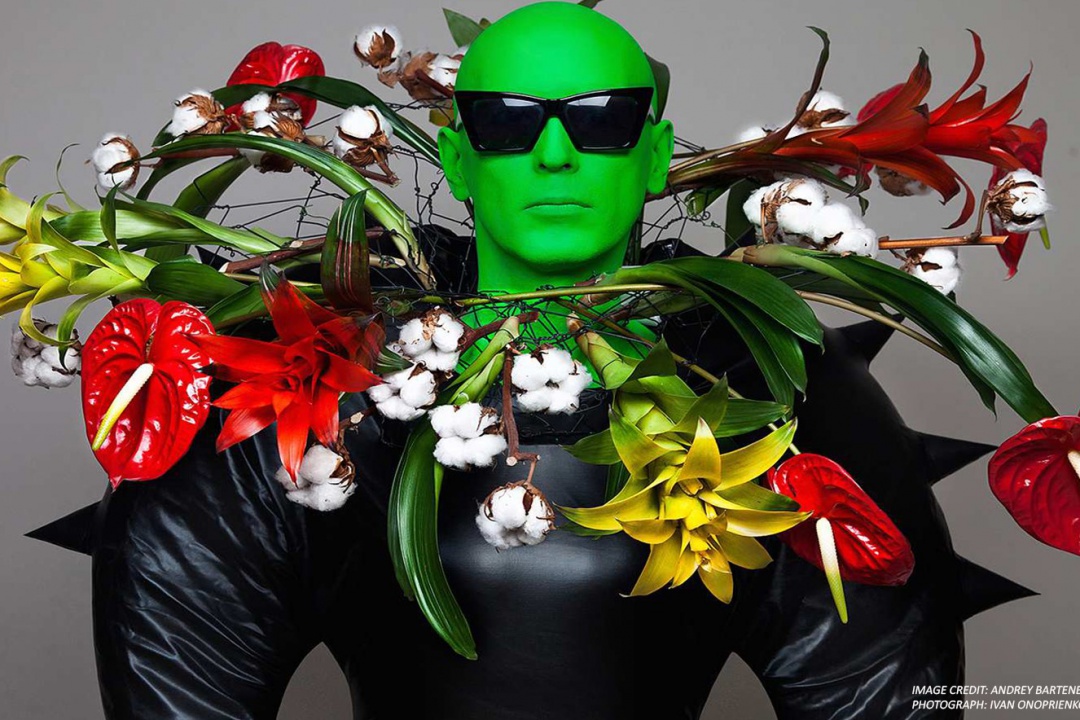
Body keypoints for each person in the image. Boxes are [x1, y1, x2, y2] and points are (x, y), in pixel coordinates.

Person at [32, 3, 1031, 718]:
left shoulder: (765, 376)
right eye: (510, 124)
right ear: (459, 159)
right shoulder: (315, 370)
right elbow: (181, 666)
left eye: (602, 120)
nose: (556, 155)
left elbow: (879, 685)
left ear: (653, 155)